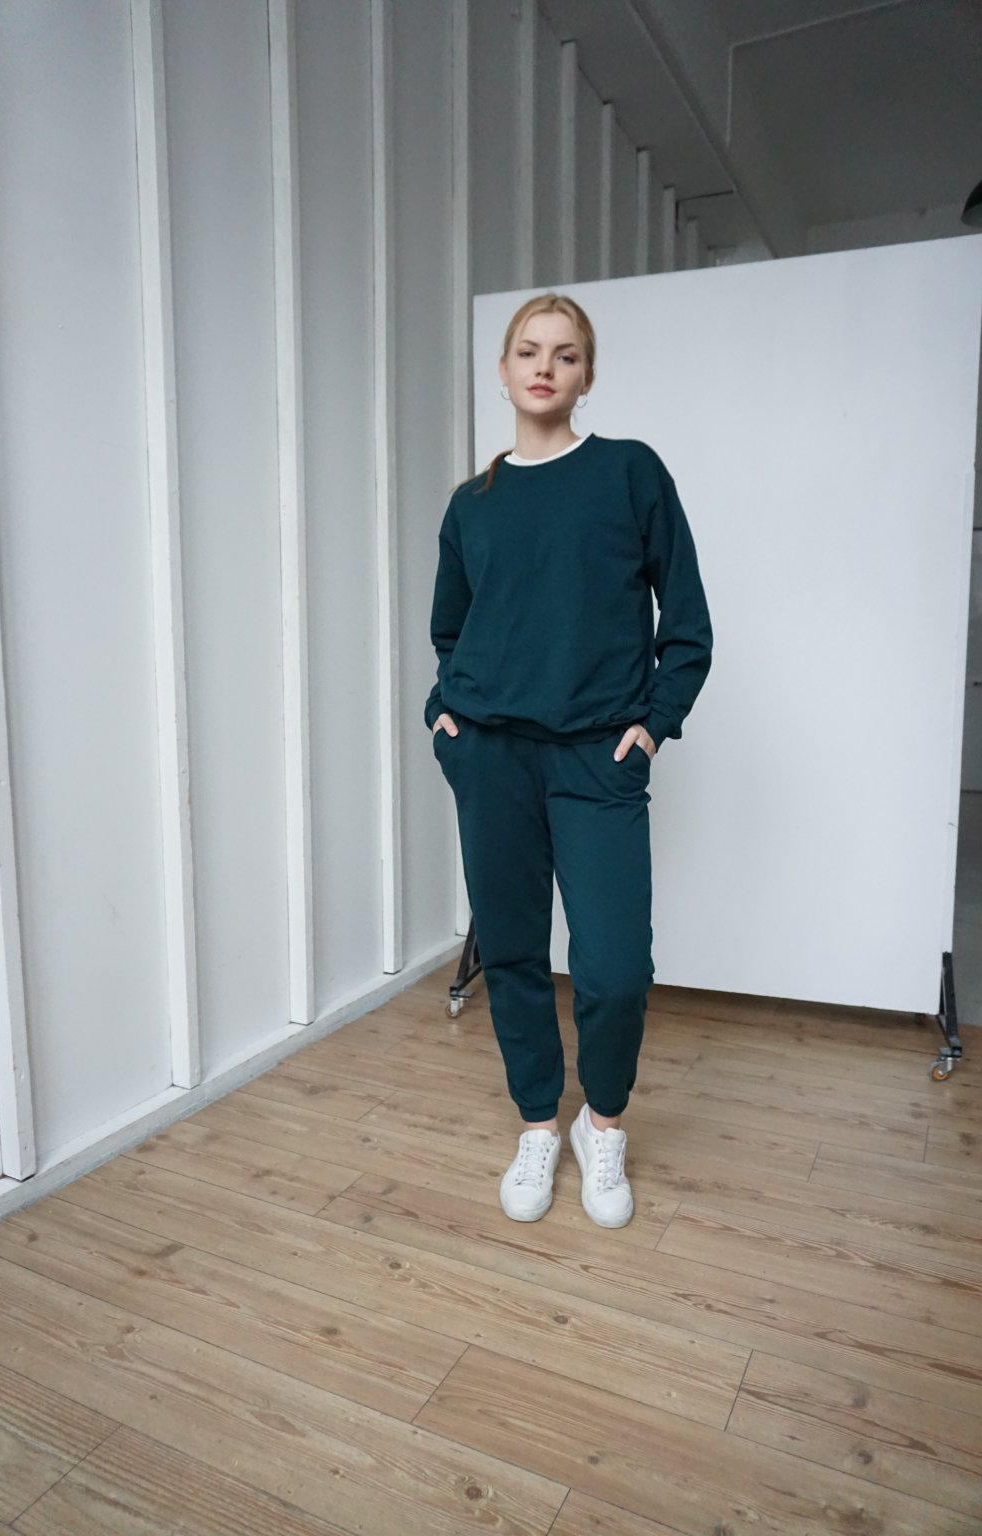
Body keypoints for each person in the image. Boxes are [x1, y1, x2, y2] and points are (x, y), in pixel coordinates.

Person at [424, 292, 712, 1229]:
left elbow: (688, 623)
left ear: (587, 376)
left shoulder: (630, 473)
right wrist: (446, 721)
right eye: (528, 351)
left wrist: (653, 724)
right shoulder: (472, 505)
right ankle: (538, 1126)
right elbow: (451, 633)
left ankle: (603, 1124)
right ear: (503, 371)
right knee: (511, 952)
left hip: (598, 758)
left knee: (615, 970)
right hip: (492, 758)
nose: (545, 366)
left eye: (565, 354)